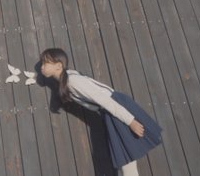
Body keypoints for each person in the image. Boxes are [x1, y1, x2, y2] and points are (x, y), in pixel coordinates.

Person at [39, 48, 162, 176]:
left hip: (115, 108)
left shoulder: (72, 81)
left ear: (59, 66)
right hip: (112, 111)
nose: (42, 67)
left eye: (45, 63)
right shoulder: (68, 77)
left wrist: (131, 121)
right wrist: (36, 76)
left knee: (125, 158)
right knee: (126, 159)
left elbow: (105, 101)